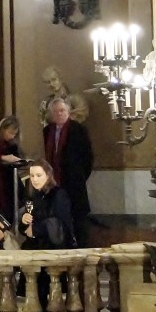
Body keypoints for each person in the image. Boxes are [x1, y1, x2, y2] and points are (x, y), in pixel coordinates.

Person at [43, 96, 94, 247]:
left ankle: (82, 248)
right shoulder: (47, 131)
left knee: (79, 217)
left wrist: (80, 176)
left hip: (74, 181)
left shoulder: (78, 129)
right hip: (54, 182)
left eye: (62, 110)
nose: (59, 114)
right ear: (51, 114)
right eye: (56, 111)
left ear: (68, 112)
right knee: (58, 215)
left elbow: (88, 157)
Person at [19, 159, 75, 249]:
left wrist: (35, 230)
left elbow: (61, 224)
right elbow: (24, 230)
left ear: (48, 176)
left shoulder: (58, 194)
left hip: (53, 248)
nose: (35, 179)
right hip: (35, 246)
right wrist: (24, 221)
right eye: (32, 176)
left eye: (39, 175)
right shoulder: (33, 196)